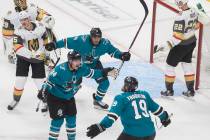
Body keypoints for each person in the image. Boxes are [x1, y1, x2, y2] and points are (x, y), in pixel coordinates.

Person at [37, 51, 117, 140]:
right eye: (76, 61)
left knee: (71, 121)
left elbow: (93, 73)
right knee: (58, 121)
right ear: (70, 61)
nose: (78, 63)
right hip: (56, 99)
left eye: (79, 60)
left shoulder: (81, 68)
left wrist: (105, 71)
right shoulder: (61, 69)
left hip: (69, 98)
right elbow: (49, 81)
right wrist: (43, 90)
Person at [54, 27, 131, 110]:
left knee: (105, 83)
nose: (97, 39)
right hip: (78, 66)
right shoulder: (81, 40)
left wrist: (121, 55)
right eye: (94, 37)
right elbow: (66, 42)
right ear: (90, 36)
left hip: (94, 65)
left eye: (98, 37)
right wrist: (54, 45)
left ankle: (97, 101)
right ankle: (65, 95)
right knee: (73, 84)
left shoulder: (105, 43)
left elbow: (113, 51)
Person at [87, 76, 171, 140]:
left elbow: (112, 116)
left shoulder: (121, 98)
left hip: (132, 134)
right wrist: (165, 118)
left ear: (126, 86)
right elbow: (157, 110)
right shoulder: (144, 94)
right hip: (150, 133)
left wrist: (101, 126)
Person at [7, 11, 55, 110]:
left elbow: (46, 41)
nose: (24, 22)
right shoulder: (18, 31)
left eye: (25, 19)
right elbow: (17, 47)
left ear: (29, 18)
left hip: (38, 59)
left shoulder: (40, 27)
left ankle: (45, 101)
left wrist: (47, 55)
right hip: (23, 59)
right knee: (20, 80)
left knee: (40, 82)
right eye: (21, 20)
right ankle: (16, 99)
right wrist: (32, 54)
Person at [154, 0, 200, 97]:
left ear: (182, 3)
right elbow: (197, 26)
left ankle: (169, 91)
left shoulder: (181, 17)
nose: (178, 5)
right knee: (187, 64)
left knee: (169, 66)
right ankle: (191, 91)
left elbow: (177, 37)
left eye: (179, 3)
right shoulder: (194, 11)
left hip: (181, 45)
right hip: (192, 41)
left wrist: (164, 46)